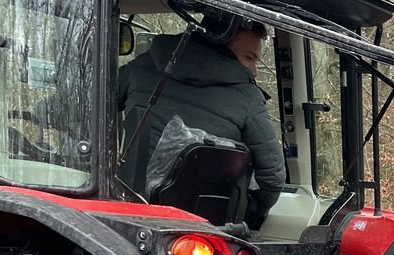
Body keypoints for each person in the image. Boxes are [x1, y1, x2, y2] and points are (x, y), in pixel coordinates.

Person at [117, 19, 284, 228]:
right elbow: (273, 177)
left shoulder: (138, 68)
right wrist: (250, 212)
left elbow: (89, 104)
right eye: (249, 58)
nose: (255, 71)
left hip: (129, 208)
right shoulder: (248, 97)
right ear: (218, 49)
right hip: (207, 223)